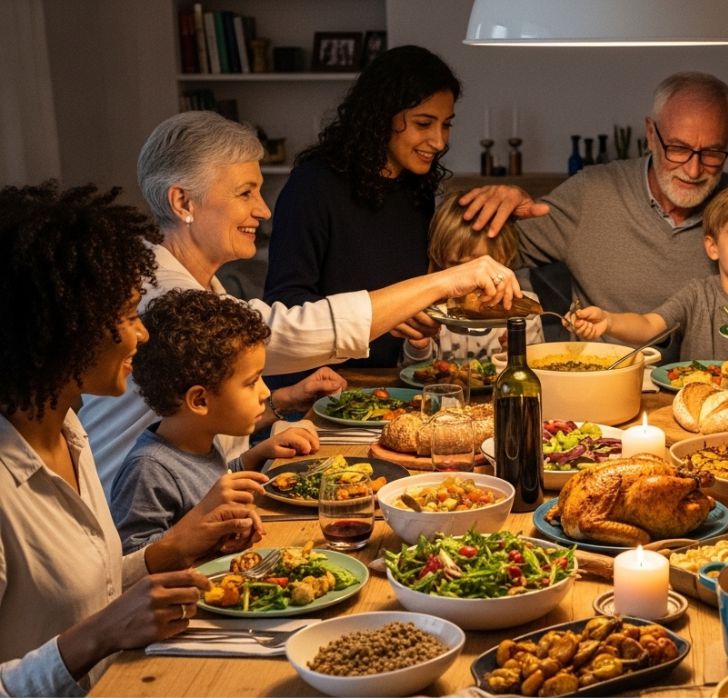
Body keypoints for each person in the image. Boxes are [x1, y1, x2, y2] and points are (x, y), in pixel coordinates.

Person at [77, 110, 523, 497]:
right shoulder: (162, 292)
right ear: (182, 201)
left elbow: (200, 419)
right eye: (245, 193)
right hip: (139, 520)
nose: (263, 210)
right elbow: (286, 331)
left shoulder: (194, 279)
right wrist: (448, 280)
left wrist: (280, 404)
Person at [0, 182, 262, 696]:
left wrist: (168, 552)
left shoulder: (67, 429)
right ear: (62, 331)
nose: (141, 335)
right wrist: (97, 636)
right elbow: (91, 623)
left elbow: (86, 589)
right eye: (126, 317)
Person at [265, 45, 543, 371]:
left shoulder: (415, 189)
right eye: (424, 124)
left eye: (446, 124)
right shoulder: (313, 187)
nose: (439, 142)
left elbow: (418, 289)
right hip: (323, 384)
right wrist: (378, 318)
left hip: (394, 380)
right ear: (381, 117)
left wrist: (421, 317)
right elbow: (285, 310)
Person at [511, 72, 728, 335]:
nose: (693, 170)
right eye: (678, 148)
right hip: (604, 378)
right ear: (651, 134)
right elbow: (499, 251)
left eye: (713, 152)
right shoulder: (591, 193)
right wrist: (503, 204)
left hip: (716, 383)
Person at [110, 290, 320, 553]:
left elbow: (201, 480)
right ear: (199, 400)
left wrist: (254, 456)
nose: (265, 392)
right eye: (252, 382)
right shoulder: (148, 469)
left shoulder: (200, 442)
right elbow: (131, 558)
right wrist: (205, 512)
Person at [570, 183, 728, 366]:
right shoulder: (698, 295)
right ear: (713, 247)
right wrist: (609, 320)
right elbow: (649, 325)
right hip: (697, 402)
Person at [401, 193, 545, 366]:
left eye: (484, 267)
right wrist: (419, 345)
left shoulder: (525, 313)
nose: (474, 281)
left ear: (505, 259)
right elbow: (412, 372)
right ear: (441, 260)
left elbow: (535, 373)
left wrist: (514, 352)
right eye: (458, 267)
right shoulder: (434, 309)